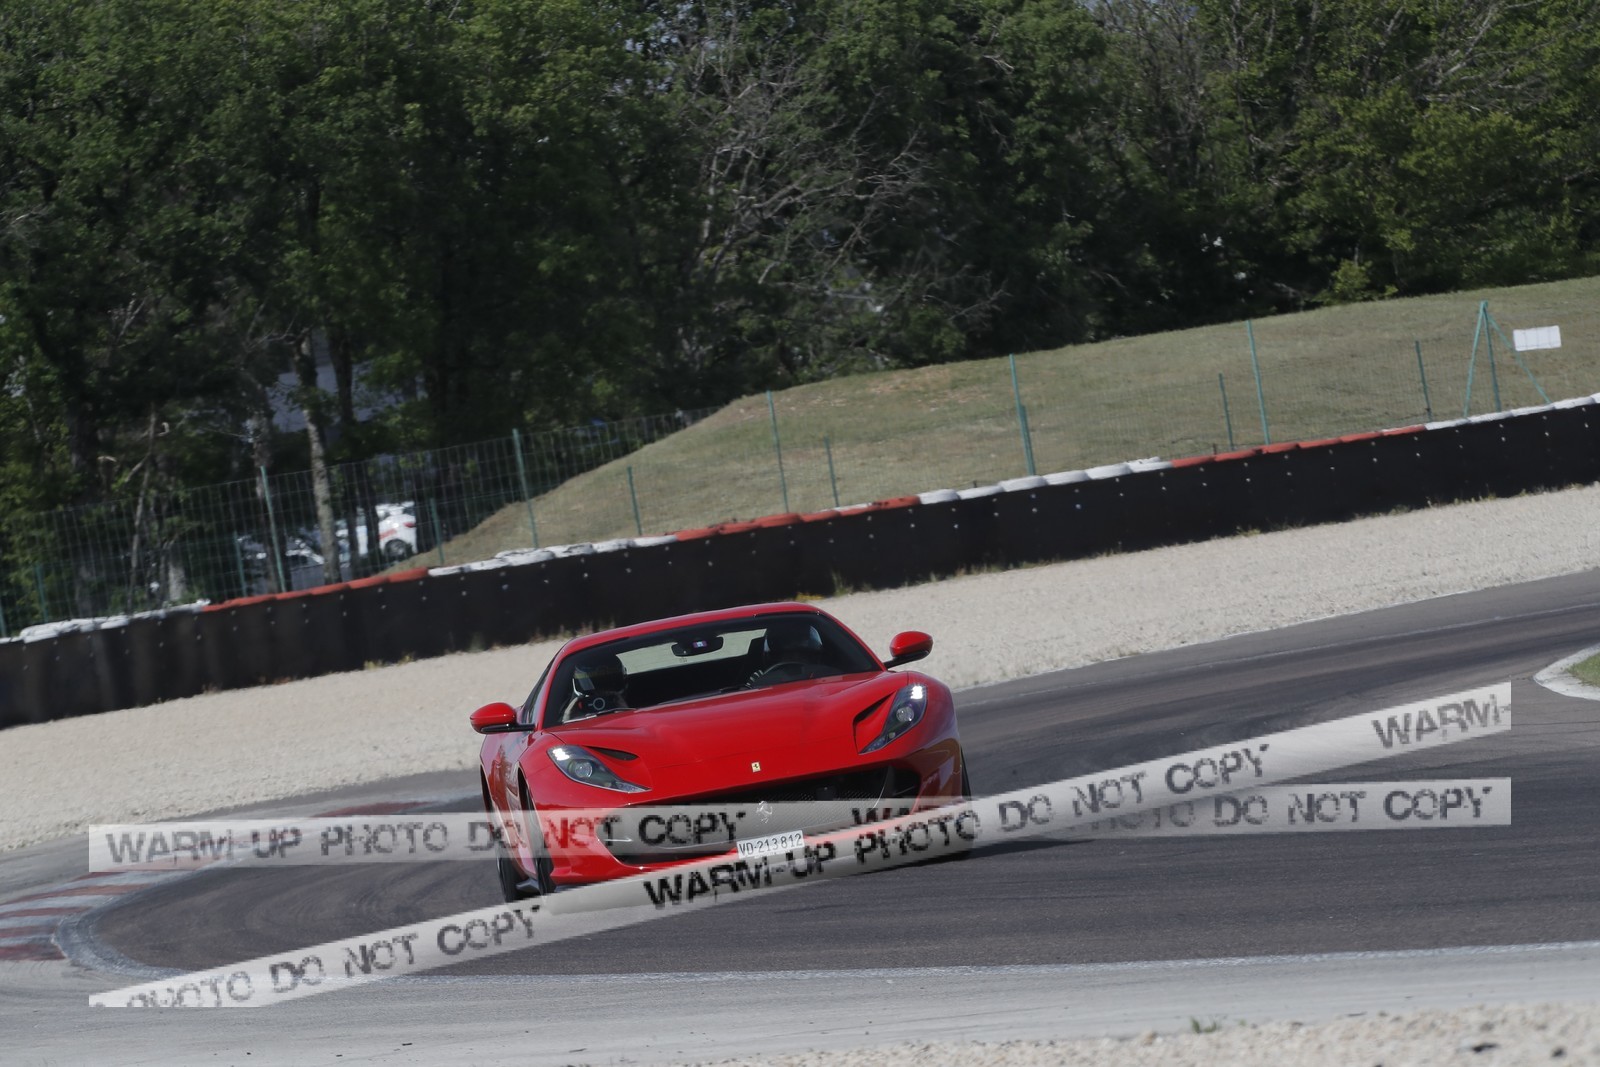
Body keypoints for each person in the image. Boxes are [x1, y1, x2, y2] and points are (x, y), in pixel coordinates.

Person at [565, 651, 628, 720]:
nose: (601, 693)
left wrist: (625, 712)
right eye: (597, 685)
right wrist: (569, 719)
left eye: (607, 683)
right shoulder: (576, 711)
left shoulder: (636, 703)